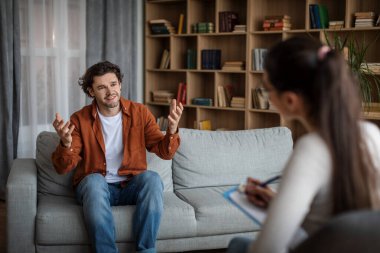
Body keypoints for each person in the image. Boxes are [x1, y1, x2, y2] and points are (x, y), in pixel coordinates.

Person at [227, 36, 380, 253]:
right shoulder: (372, 134)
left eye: (267, 89)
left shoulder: (311, 149)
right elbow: (341, 225)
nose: (268, 97)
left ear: (290, 100)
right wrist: (277, 204)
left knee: (238, 245)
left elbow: (267, 249)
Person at [51, 61, 183, 253]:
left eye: (113, 84)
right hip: (96, 189)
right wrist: (65, 144)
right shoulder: (79, 119)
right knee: (95, 181)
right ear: (91, 92)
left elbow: (165, 152)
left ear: (120, 84)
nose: (110, 91)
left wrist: (171, 131)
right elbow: (62, 167)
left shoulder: (140, 113)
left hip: (129, 186)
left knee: (152, 179)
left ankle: (146, 250)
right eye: (101, 87)